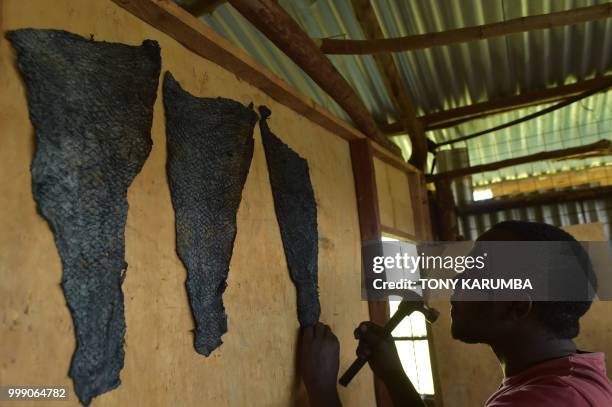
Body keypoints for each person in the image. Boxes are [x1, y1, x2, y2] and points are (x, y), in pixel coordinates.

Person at [298, 221, 612, 406]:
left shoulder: (544, 402)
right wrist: (393, 372)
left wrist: (322, 390)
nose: (457, 281)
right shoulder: (568, 377)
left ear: (516, 306)